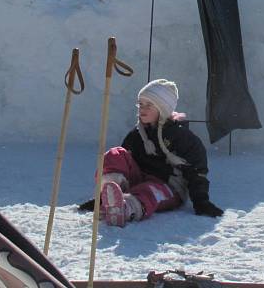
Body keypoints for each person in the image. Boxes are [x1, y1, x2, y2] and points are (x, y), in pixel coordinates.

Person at [92, 79, 223, 226]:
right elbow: (124, 164)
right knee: (115, 154)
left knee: (149, 191)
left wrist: (201, 201)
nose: (142, 109)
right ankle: (108, 200)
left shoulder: (181, 137)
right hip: (140, 179)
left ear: (163, 108)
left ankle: (126, 208)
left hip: (169, 186)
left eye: (149, 105)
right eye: (140, 104)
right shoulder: (136, 135)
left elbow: (197, 169)